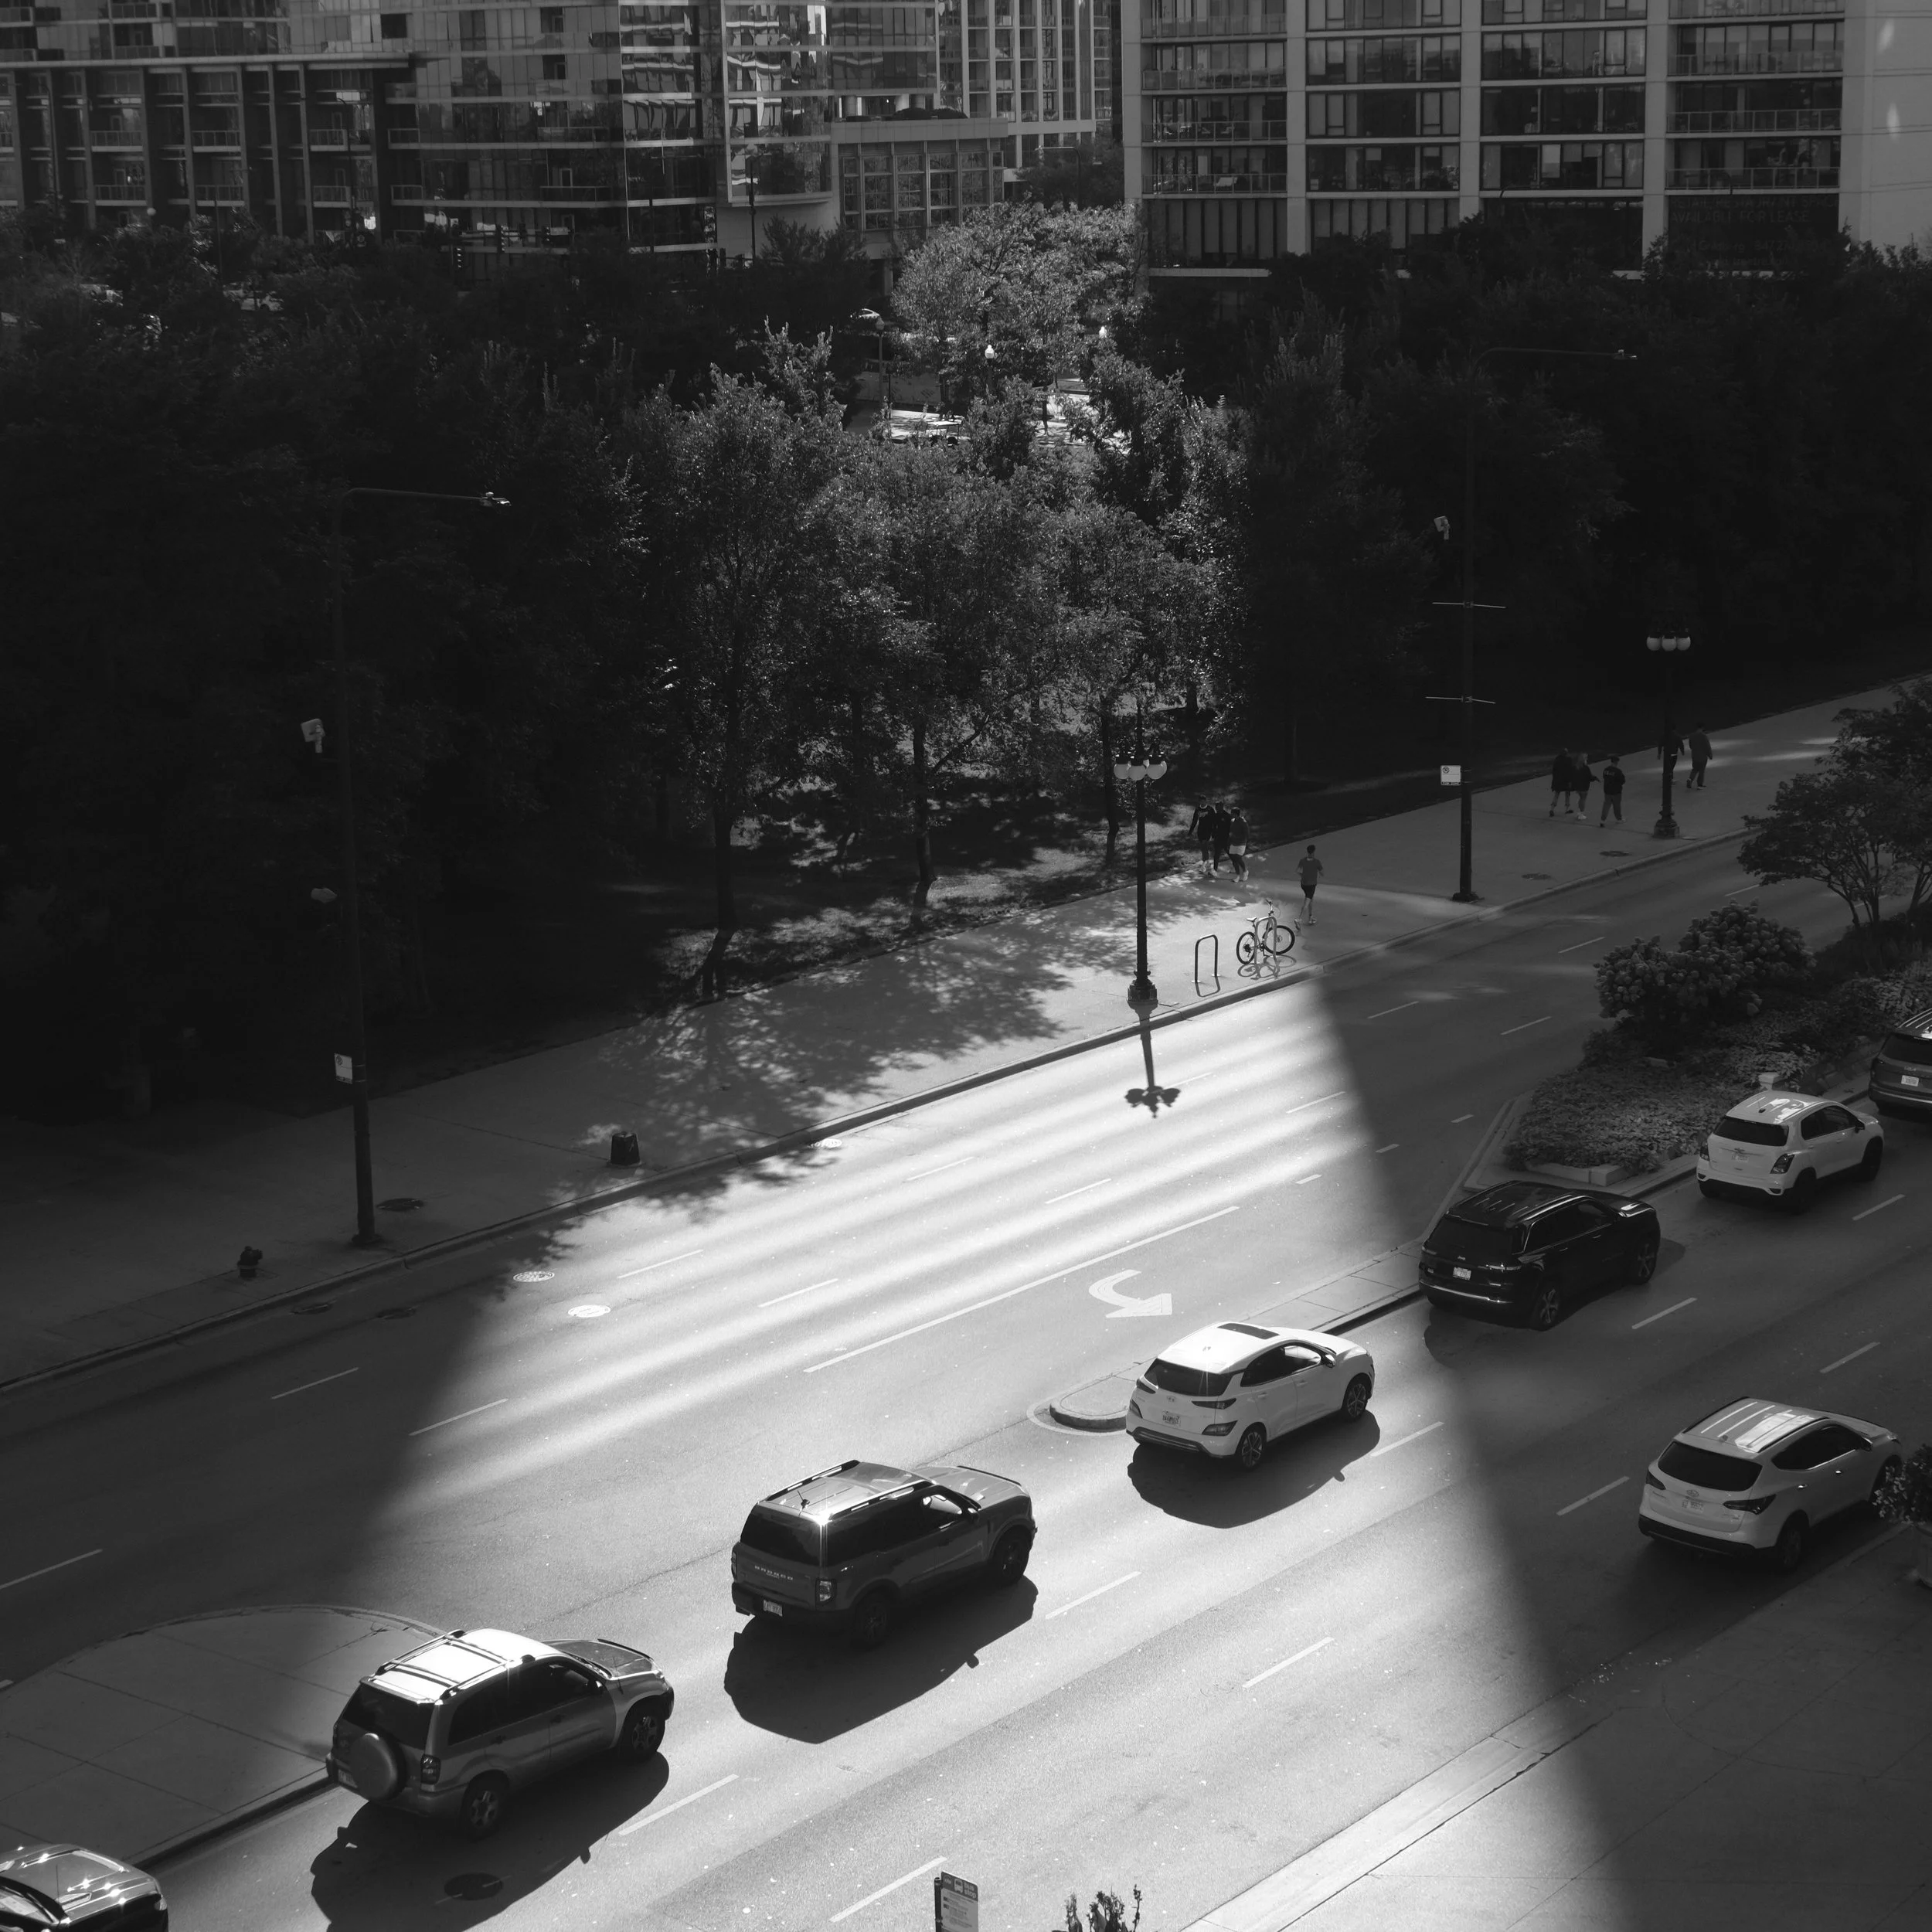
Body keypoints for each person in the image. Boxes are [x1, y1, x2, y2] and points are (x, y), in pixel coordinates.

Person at [1297, 843, 1323, 925]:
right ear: (1313, 852)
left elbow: (1298, 871)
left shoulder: (1302, 861)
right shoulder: (1316, 862)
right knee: (1307, 902)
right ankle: (1299, 919)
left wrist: (1303, 876)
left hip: (1303, 884)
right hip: (1311, 885)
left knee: (1311, 899)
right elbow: (1322, 873)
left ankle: (1310, 917)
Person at [1188, 799, 1216, 875]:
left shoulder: (1210, 809)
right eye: (1201, 801)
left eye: (1204, 801)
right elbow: (1194, 821)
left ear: (1206, 801)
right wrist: (1191, 831)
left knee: (1205, 846)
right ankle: (1206, 864)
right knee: (1203, 848)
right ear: (1200, 802)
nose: (1203, 802)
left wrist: (1213, 832)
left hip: (1208, 831)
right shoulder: (1198, 809)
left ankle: (1206, 866)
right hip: (1201, 831)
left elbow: (1214, 821)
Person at [1599, 753, 1626, 825]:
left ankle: (1602, 820)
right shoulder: (1618, 771)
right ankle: (1619, 819)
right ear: (1616, 762)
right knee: (1616, 806)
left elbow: (1604, 778)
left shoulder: (1606, 770)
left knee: (1606, 805)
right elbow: (1623, 781)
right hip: (1616, 792)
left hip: (1607, 791)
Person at [1549, 748, 1575, 818]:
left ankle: (1552, 808)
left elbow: (1554, 771)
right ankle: (1567, 808)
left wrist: (1554, 781)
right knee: (1567, 794)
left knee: (1556, 794)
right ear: (1566, 754)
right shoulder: (1569, 760)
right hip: (1566, 780)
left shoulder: (1557, 760)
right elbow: (1570, 771)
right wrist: (1570, 781)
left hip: (1557, 780)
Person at [1226, 808, 1250, 883]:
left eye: (1232, 813)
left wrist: (1235, 837)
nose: (1231, 814)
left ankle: (1245, 871)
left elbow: (1246, 835)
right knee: (1234, 860)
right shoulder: (1233, 822)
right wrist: (1229, 841)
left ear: (1235, 814)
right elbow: (1231, 833)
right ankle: (1237, 876)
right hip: (1233, 843)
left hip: (1241, 844)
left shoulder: (1243, 823)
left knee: (1238, 858)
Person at [1570, 752, 1595, 821]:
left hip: (1577, 786)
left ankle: (1579, 812)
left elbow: (1572, 776)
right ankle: (1581, 814)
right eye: (1586, 758)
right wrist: (1594, 778)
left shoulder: (1575, 767)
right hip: (1584, 786)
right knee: (1583, 799)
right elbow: (1590, 777)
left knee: (1580, 798)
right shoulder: (1586, 768)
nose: (1587, 759)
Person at [1687, 723, 1713, 788]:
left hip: (1694, 756)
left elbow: (1691, 746)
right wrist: (1710, 755)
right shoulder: (1703, 736)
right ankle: (1700, 784)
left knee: (1695, 769)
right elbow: (1707, 746)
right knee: (1701, 770)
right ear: (1703, 727)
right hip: (1702, 756)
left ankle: (1690, 779)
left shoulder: (1692, 735)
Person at [1209, 803, 1232, 876]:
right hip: (1218, 838)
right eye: (1216, 807)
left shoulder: (1227, 816)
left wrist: (1230, 837)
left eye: (1218, 807)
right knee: (1216, 855)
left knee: (1230, 853)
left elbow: (1230, 828)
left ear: (1222, 807)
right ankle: (1215, 871)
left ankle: (1236, 865)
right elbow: (1214, 826)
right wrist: (1213, 834)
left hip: (1225, 838)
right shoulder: (1215, 816)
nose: (1216, 809)